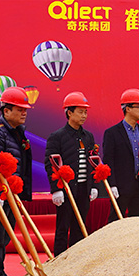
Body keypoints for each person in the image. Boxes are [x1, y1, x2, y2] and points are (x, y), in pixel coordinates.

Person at [0, 86, 33, 276]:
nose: (24, 113)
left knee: (6, 233)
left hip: (13, 190)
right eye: (19, 109)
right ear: (6, 111)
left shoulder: (18, 132)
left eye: (25, 110)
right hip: (1, 191)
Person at [46, 91, 96, 254]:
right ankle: (59, 261)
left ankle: (76, 260)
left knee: (80, 226)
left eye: (85, 112)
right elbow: (50, 164)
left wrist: (94, 185)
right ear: (69, 113)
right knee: (63, 227)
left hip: (83, 189)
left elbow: (93, 161)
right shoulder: (57, 137)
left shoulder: (88, 136)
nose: (84, 116)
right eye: (80, 112)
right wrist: (56, 189)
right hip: (66, 189)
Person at [102, 88, 139, 218]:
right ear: (128, 108)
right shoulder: (112, 133)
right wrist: (112, 185)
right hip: (121, 186)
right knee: (116, 221)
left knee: (137, 222)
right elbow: (108, 161)